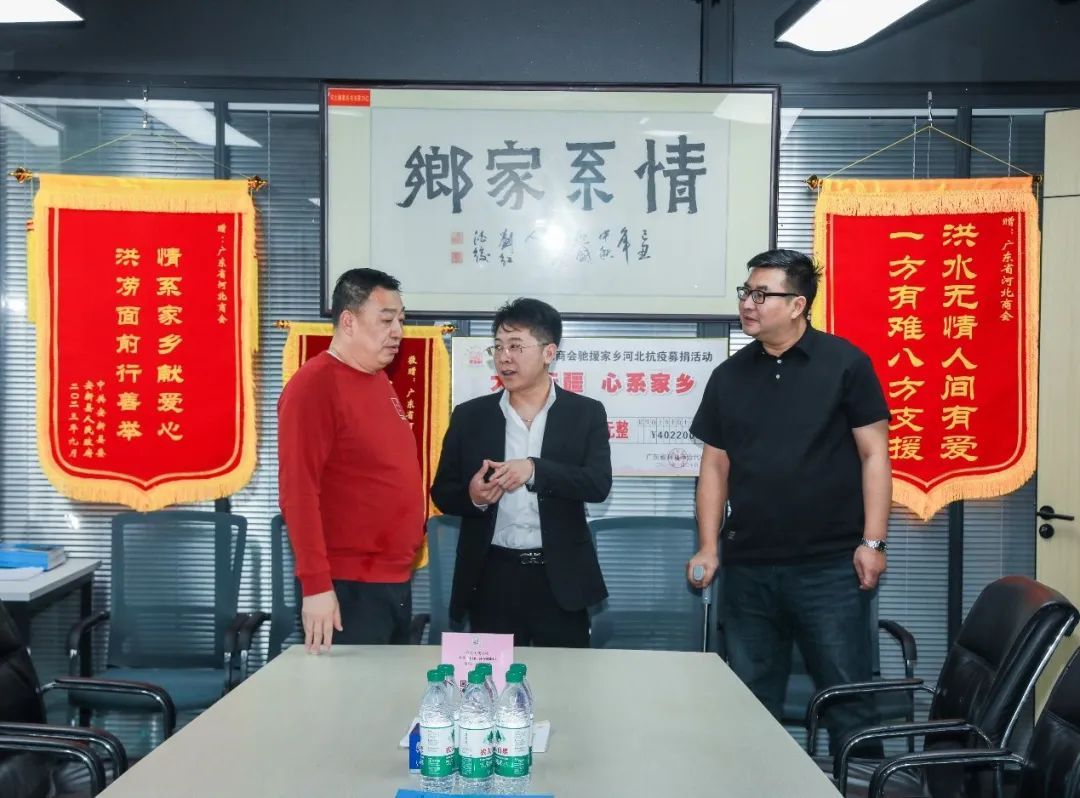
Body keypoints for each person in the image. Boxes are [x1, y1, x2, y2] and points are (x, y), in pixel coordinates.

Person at [686, 248, 892, 754]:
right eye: (746, 292)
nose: (747, 303)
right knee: (751, 701)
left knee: (846, 697)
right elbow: (715, 466)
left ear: (798, 304)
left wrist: (873, 541)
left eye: (762, 295)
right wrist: (708, 546)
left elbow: (874, 455)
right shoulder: (729, 376)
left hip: (830, 568)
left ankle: (857, 784)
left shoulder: (845, 364)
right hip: (750, 567)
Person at [430, 297, 611, 647]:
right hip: (491, 575)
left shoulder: (585, 413)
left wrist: (535, 470)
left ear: (548, 352)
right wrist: (474, 497)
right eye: (498, 347)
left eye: (515, 346)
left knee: (564, 678)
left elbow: (597, 484)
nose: (504, 357)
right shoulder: (470, 416)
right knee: (492, 678)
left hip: (560, 579)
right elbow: (443, 491)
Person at [277, 268, 423, 652]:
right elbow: (298, 492)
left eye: (401, 320)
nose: (398, 332)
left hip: (392, 581)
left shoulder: (379, 380)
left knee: (389, 690)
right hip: (347, 588)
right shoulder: (315, 385)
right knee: (351, 693)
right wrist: (316, 586)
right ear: (348, 321)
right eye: (386, 320)